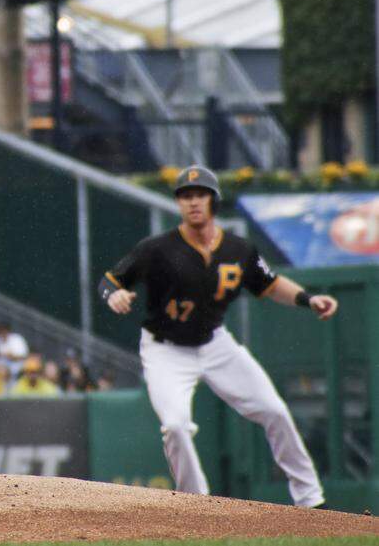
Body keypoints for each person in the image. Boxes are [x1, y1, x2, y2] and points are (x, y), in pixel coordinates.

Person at [99, 164, 338, 509]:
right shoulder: (157, 249)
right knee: (177, 427)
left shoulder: (238, 250)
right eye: (185, 196)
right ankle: (198, 507)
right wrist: (114, 296)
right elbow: (110, 281)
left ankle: (310, 498)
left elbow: (270, 285)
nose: (193, 202)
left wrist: (307, 299)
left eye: (201, 195)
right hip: (165, 350)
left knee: (275, 410)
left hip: (215, 343)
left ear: (213, 202)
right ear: (179, 204)